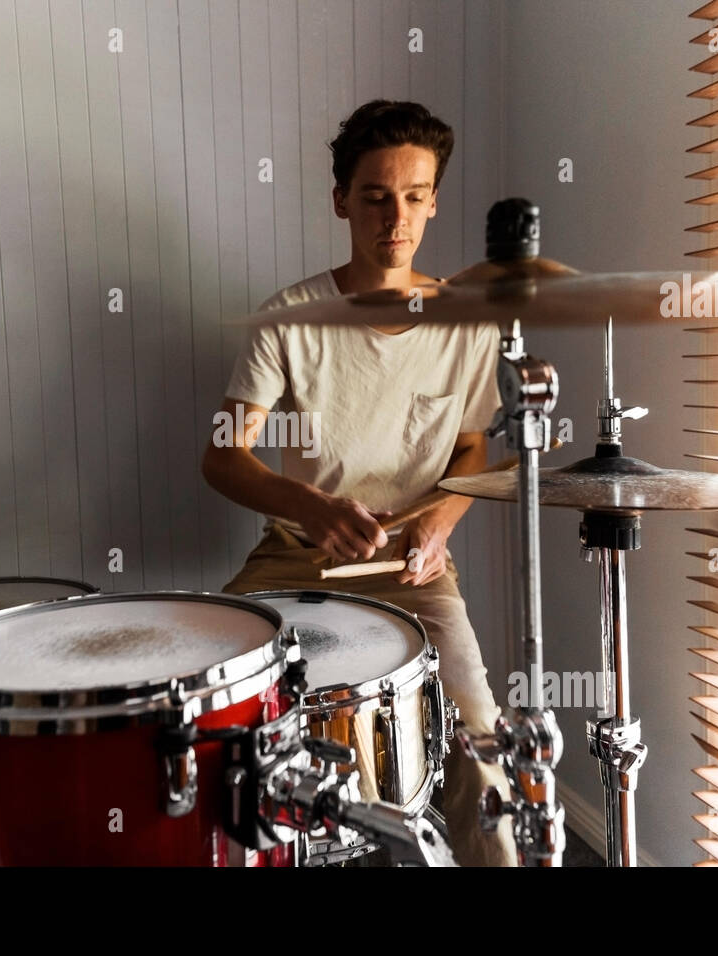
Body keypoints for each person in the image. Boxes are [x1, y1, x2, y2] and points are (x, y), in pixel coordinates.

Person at [202, 99, 517, 867]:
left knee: (482, 750)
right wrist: (310, 504)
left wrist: (443, 517)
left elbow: (474, 446)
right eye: (375, 196)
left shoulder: (466, 320)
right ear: (342, 199)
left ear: (435, 200)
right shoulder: (289, 318)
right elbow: (223, 455)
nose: (395, 217)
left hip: (417, 567)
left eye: (414, 196)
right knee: (220, 734)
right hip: (296, 557)